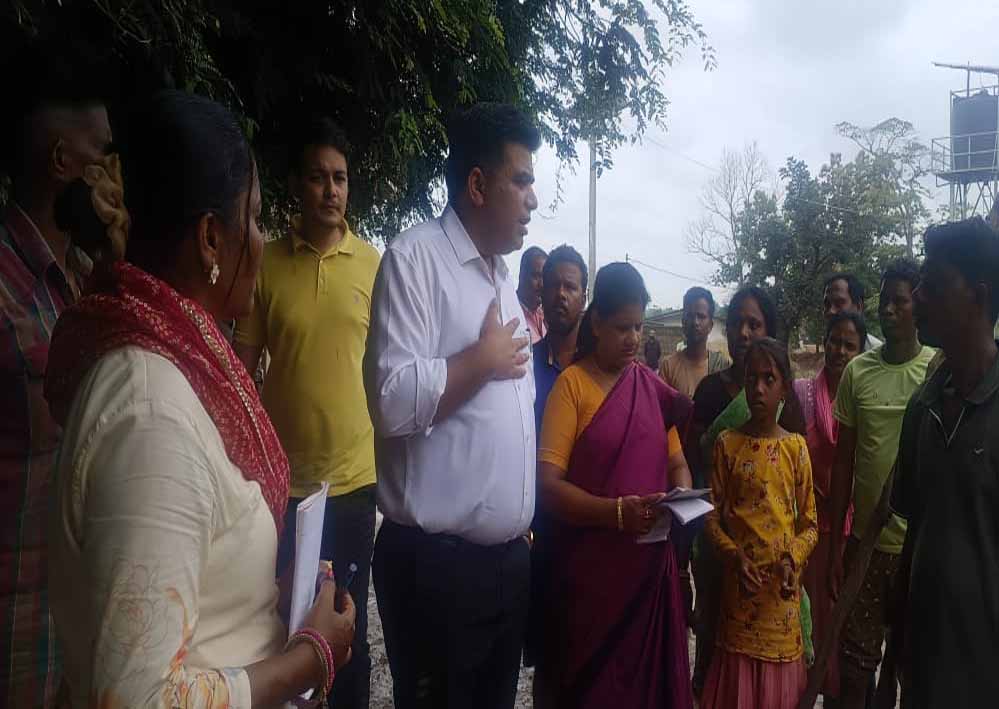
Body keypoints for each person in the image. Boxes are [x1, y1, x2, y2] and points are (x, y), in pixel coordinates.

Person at [43, 90, 356, 707]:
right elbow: (137, 697)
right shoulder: (151, 416)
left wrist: (267, 597)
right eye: (256, 219)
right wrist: (307, 658)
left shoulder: (178, 371)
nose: (261, 241)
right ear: (212, 239)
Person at [363, 102, 539, 709]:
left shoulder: (502, 280)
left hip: (505, 566)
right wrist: (479, 362)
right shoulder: (414, 260)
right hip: (438, 572)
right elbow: (389, 401)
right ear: (478, 185)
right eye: (522, 180)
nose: (533, 199)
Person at [233, 116, 380, 708]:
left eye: (340, 178)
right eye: (318, 177)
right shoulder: (267, 263)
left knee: (348, 629)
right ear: (298, 185)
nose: (331, 190)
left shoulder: (373, 265)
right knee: (281, 627)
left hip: (353, 481)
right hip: (281, 485)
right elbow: (242, 369)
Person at [0, 47, 111, 706]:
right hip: (14, 636)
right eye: (104, 156)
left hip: (74, 626)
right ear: (62, 161)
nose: (117, 179)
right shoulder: (5, 287)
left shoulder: (84, 282)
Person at [537, 262, 693, 709]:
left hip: (650, 576)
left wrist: (680, 498)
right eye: (623, 327)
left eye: (639, 327)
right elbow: (548, 486)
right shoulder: (572, 386)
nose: (633, 339)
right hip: (592, 583)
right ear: (597, 323)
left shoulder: (649, 386)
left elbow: (677, 462)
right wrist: (617, 513)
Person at [889, 218, 999, 707]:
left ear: (978, 297)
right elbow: (915, 532)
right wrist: (897, 643)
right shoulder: (923, 406)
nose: (919, 298)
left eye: (933, 285)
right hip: (924, 675)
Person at [686, 286, 806, 695]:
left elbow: (797, 499)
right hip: (720, 553)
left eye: (754, 324)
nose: (743, 332)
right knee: (714, 652)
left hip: (775, 572)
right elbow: (698, 476)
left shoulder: (789, 415)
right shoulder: (710, 393)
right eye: (737, 322)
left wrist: (792, 557)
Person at [827, 259, 935, 709]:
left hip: (919, 549)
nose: (888, 309)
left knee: (909, 665)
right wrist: (838, 543)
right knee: (855, 665)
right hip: (865, 546)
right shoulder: (858, 373)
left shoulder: (937, 370)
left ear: (918, 305)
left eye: (900, 301)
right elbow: (844, 464)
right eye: (884, 301)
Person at [701, 337, 818, 709]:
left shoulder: (796, 449)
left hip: (780, 604)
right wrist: (733, 556)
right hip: (739, 603)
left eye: (769, 379)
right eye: (752, 378)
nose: (759, 388)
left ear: (785, 387)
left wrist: (792, 560)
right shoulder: (727, 445)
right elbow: (710, 517)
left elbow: (810, 525)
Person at [794, 312, 867, 706]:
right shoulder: (802, 393)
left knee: (841, 628)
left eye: (849, 345)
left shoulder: (864, 400)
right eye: (835, 342)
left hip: (847, 529)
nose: (840, 351)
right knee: (808, 622)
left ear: (860, 351)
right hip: (807, 529)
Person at [660, 286, 731, 398]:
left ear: (711, 325)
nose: (695, 322)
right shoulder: (668, 367)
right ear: (683, 322)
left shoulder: (722, 366)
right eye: (690, 315)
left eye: (701, 316)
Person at [823, 273, 882, 350]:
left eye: (838, 303)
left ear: (858, 307)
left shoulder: (876, 352)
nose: (831, 311)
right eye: (827, 304)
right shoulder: (828, 348)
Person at [518, 245, 548, 344]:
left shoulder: (544, 316)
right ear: (522, 275)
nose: (542, 284)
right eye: (536, 276)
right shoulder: (509, 313)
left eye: (545, 278)